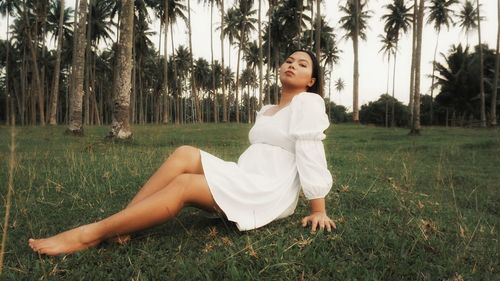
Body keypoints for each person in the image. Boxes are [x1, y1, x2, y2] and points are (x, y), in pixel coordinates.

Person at [28, 50, 336, 256]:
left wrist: (318, 209)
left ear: (311, 81)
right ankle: (122, 226)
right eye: (288, 60)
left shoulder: (308, 103)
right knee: (186, 153)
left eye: (302, 64)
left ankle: (88, 235)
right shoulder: (267, 110)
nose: (291, 64)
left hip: (267, 190)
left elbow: (310, 153)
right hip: (244, 176)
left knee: (185, 184)